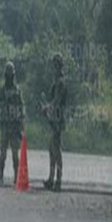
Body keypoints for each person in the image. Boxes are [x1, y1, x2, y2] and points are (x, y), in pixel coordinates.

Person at [40, 52, 67, 192]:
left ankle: (58, 180)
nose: (54, 68)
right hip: (54, 118)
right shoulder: (57, 81)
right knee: (51, 149)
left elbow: (56, 101)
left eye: (55, 65)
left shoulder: (60, 82)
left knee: (56, 150)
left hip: (57, 119)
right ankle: (51, 179)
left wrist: (47, 108)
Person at [0, 61, 25, 186]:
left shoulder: (17, 91)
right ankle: (0, 177)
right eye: (8, 75)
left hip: (14, 126)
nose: (9, 77)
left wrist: (21, 124)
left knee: (15, 154)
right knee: (3, 153)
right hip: (5, 125)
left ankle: (16, 178)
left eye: (10, 75)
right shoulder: (2, 91)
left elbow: (21, 108)